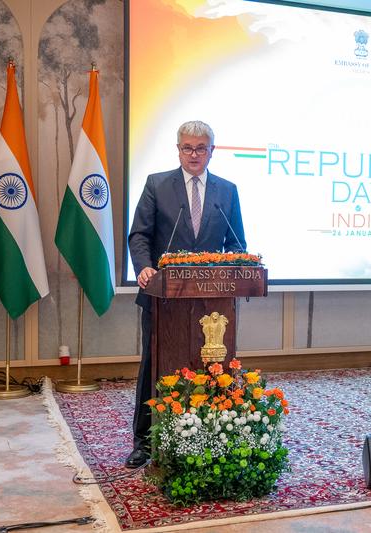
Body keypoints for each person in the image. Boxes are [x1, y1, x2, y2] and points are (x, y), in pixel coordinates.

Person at [126, 120, 246, 468]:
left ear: (212, 151)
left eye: (200, 148)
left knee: (212, 365)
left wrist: (235, 264)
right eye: (187, 148)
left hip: (211, 303)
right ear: (178, 150)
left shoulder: (227, 191)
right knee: (153, 366)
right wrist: (144, 268)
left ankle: (212, 432)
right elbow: (140, 235)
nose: (194, 155)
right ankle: (144, 442)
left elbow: (236, 243)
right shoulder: (157, 185)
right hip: (162, 297)